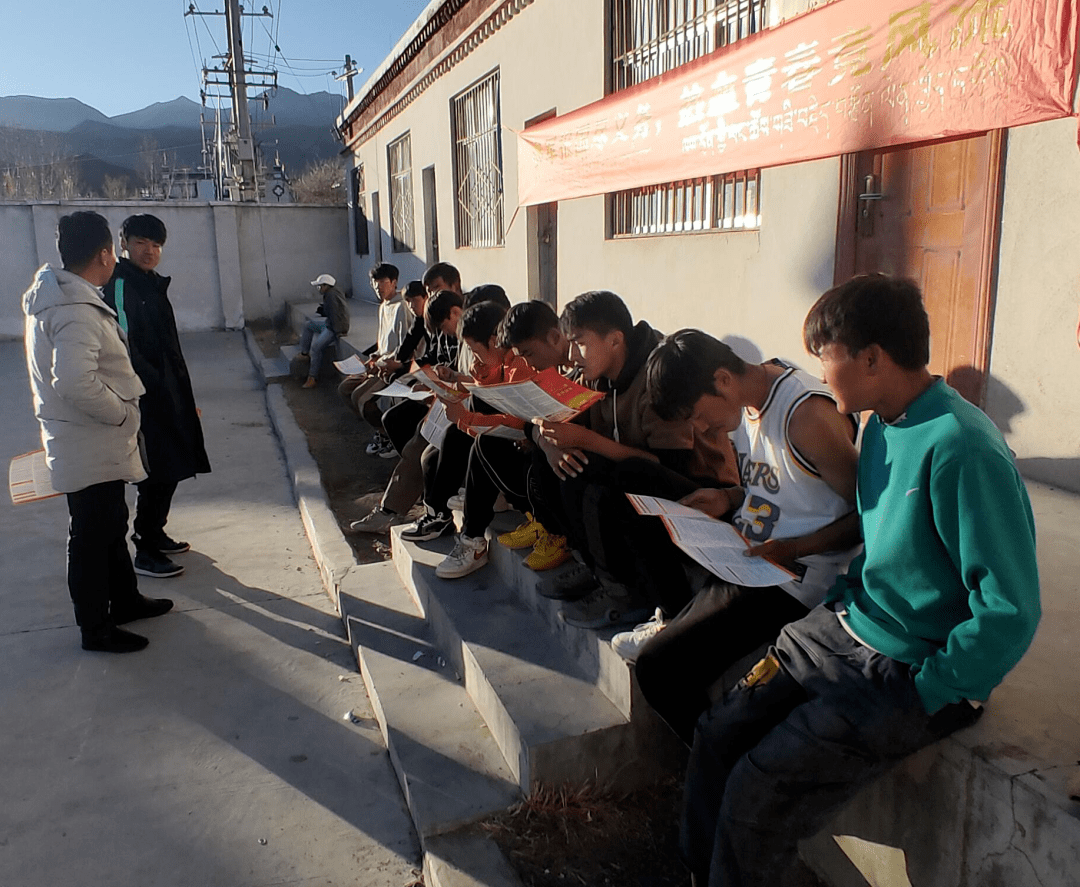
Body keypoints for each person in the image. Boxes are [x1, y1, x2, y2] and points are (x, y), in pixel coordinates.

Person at [680, 274, 1041, 887]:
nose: (820, 375)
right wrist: (846, 597)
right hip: (841, 628)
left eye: (827, 358)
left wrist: (934, 690)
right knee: (718, 732)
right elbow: (877, 545)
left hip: (903, 669)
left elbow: (1010, 608)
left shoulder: (962, 446)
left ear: (872, 358)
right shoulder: (879, 427)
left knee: (757, 790)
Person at [628, 330, 860, 742]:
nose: (701, 428)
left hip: (793, 580)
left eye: (698, 415)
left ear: (722, 379)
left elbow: (869, 516)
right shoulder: (748, 404)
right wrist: (728, 496)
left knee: (656, 668)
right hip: (751, 559)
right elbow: (786, 487)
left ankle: (720, 771)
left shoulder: (805, 416)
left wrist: (794, 548)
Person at [532, 291, 738, 629]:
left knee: (620, 476)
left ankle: (629, 593)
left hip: (700, 491)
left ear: (615, 340)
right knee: (557, 462)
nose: (570, 357)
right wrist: (550, 444)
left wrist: (586, 439)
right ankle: (599, 574)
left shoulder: (657, 375)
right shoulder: (592, 374)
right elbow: (542, 416)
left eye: (579, 343)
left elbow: (666, 466)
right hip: (637, 476)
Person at [23, 211, 172, 653]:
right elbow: (73, 381)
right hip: (87, 440)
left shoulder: (64, 296)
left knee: (109, 525)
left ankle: (124, 601)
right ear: (106, 254)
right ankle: (96, 628)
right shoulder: (75, 310)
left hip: (87, 442)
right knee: (89, 536)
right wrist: (123, 414)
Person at [102, 213, 212, 580]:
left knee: (173, 465)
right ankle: (145, 548)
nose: (149, 251)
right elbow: (125, 348)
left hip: (168, 392)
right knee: (155, 470)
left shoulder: (150, 283)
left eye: (156, 245)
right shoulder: (120, 285)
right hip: (144, 398)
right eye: (141, 243)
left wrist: (181, 395)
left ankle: (156, 531)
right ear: (124, 245)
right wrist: (149, 393)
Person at [337, 263, 407, 455]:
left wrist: (382, 362)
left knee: (360, 397)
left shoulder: (402, 307)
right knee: (345, 389)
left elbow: (404, 347)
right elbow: (383, 341)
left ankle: (388, 436)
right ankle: (381, 431)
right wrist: (373, 357)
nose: (378, 287)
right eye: (374, 283)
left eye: (383, 282)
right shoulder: (384, 306)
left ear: (394, 282)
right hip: (379, 363)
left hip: (393, 367)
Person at [298, 272, 350, 388]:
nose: (318, 289)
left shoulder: (331, 296)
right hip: (329, 324)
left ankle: (312, 377)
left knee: (316, 348)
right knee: (308, 325)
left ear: (326, 286)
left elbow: (337, 314)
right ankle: (304, 353)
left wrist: (339, 332)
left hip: (334, 328)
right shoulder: (332, 293)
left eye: (320, 286)